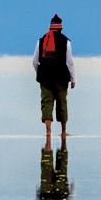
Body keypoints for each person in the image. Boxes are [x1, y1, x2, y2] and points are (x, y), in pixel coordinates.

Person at [35, 13, 73, 150]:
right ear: (61, 28)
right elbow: (69, 62)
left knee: (47, 102)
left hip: (45, 78)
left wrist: (40, 73)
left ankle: (48, 132)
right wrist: (73, 79)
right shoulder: (66, 42)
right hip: (61, 78)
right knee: (62, 103)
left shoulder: (41, 41)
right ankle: (63, 131)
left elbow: (35, 61)